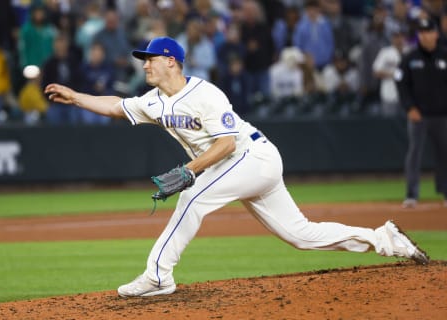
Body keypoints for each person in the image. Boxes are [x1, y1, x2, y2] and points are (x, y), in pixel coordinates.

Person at [44, 36, 429, 298]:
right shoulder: (154, 101)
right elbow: (115, 105)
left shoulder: (205, 93)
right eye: (143, 59)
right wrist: (76, 96)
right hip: (238, 166)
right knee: (301, 235)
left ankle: (159, 274)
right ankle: (386, 239)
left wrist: (190, 170)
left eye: (149, 59)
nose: (144, 64)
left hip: (252, 157)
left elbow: (227, 144)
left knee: (191, 197)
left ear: (171, 61)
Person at [395, 17, 447, 208]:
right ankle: (411, 194)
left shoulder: (444, 55)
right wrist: (409, 107)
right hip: (419, 115)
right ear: (418, 35)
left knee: (444, 154)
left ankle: (445, 192)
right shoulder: (410, 58)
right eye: (421, 32)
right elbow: (401, 84)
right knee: (414, 153)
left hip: (442, 115)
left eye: (428, 32)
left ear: (435, 33)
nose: (425, 36)